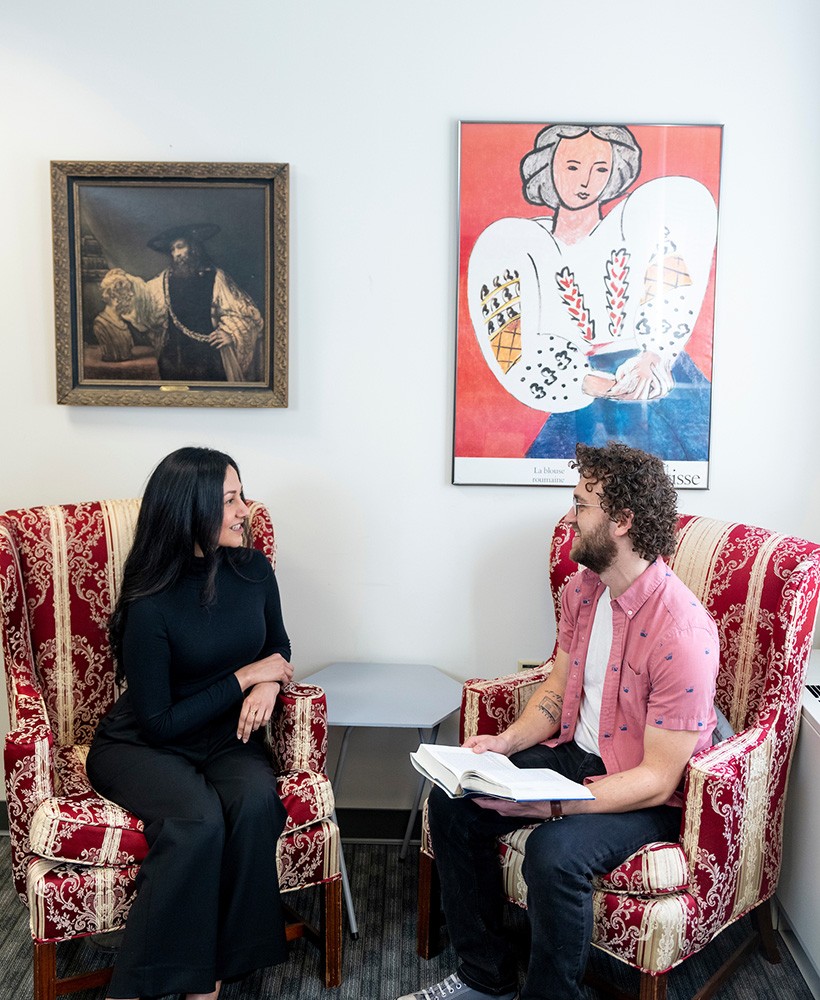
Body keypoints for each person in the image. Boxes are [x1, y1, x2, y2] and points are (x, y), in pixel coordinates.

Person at [400, 442, 719, 1000]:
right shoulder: (584, 589)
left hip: (648, 792)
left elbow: (659, 779)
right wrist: (504, 745)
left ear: (622, 521)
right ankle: (485, 977)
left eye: (580, 505)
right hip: (578, 754)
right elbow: (556, 686)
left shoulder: (683, 631)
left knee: (554, 855)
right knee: (452, 804)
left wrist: (549, 802)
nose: (568, 517)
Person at [86, 446, 293, 1000]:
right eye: (230, 499)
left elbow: (277, 646)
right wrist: (245, 677)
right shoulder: (150, 601)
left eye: (242, 495)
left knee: (254, 804)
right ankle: (143, 986)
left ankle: (216, 972)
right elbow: (160, 722)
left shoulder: (253, 570)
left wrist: (270, 680)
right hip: (144, 745)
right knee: (198, 822)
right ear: (191, 507)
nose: (245, 509)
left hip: (226, 740)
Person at [467, 124, 718, 461]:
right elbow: (512, 349)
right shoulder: (521, 245)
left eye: (600, 168)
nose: (585, 181)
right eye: (572, 166)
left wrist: (653, 357)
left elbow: (673, 289)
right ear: (548, 166)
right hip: (577, 392)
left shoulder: (636, 223)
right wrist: (585, 381)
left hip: (647, 380)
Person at [106, 223, 264, 382]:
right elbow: (145, 300)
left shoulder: (215, 277)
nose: (176, 254)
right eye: (172, 250)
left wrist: (231, 334)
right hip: (174, 358)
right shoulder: (164, 280)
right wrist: (124, 282)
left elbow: (244, 313)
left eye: (180, 247)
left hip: (209, 357)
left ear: (193, 247)